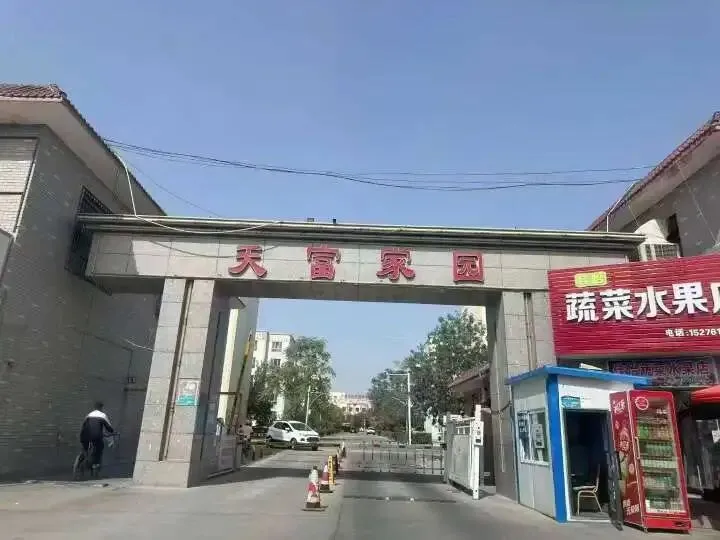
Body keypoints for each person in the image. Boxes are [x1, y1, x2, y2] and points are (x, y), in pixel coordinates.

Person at [79, 402, 114, 472]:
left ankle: (81, 459)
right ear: (101, 408)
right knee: (99, 447)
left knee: (85, 448)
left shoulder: (89, 415)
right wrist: (112, 433)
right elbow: (109, 428)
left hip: (84, 435)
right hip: (96, 436)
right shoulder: (103, 415)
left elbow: (83, 425)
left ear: (94, 408)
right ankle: (95, 463)